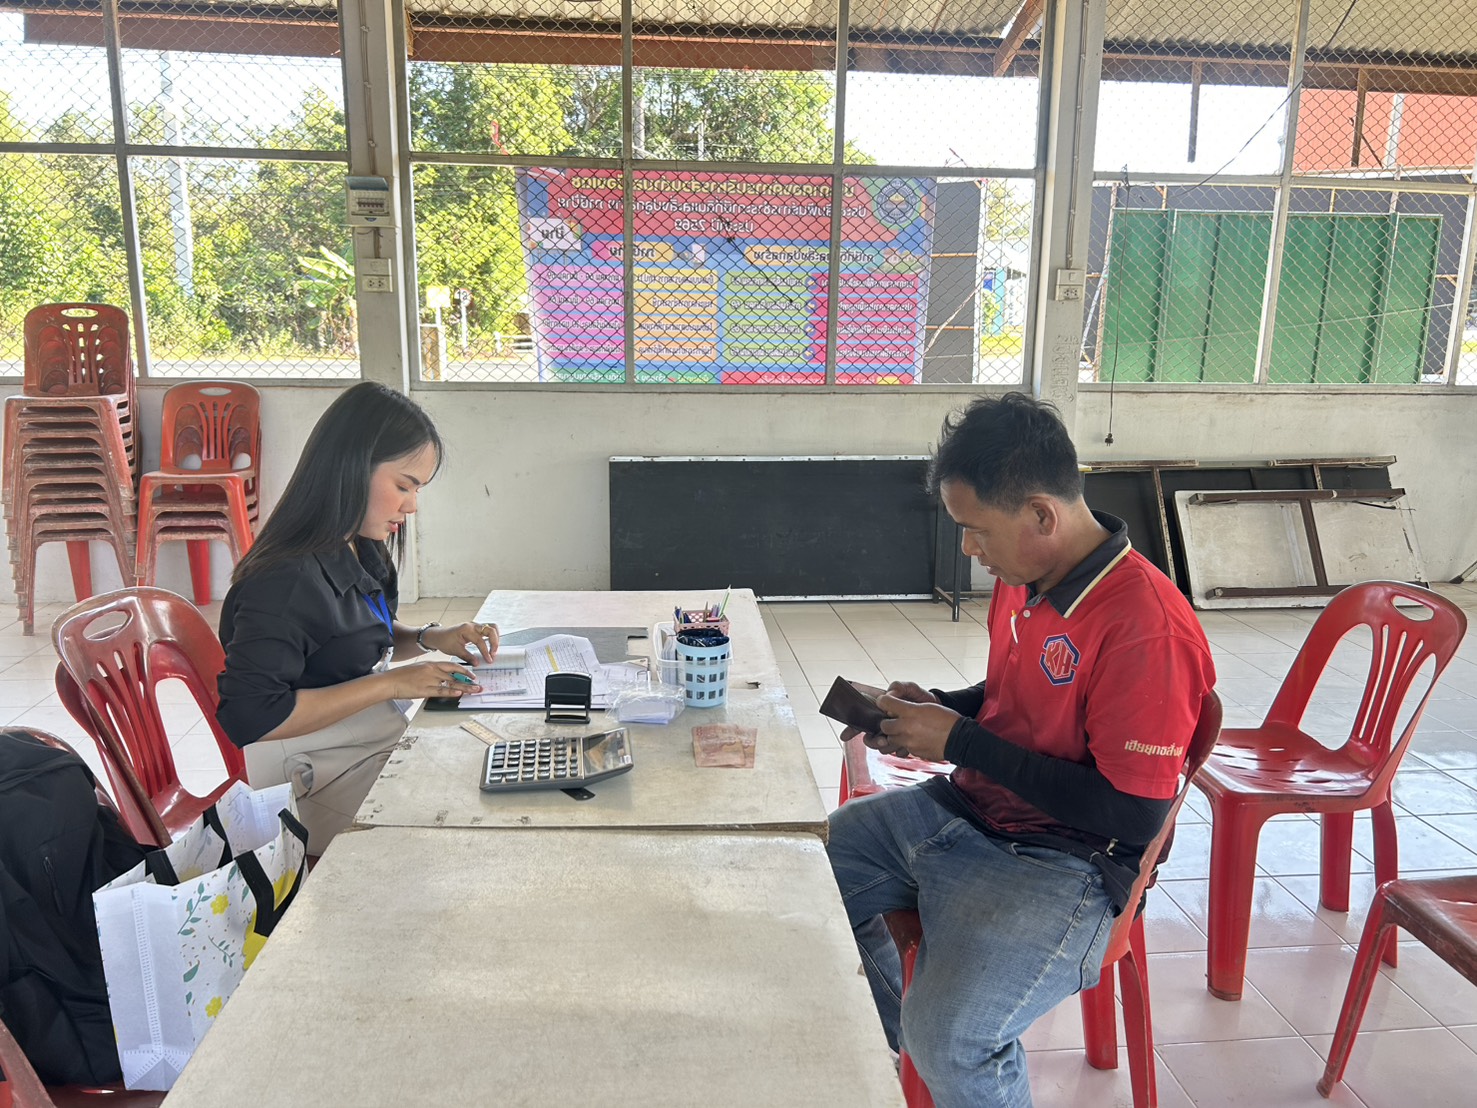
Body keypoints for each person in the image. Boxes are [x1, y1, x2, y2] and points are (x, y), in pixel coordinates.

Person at [825, 393, 1215, 1108]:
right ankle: (916, 1049)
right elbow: (1015, 692)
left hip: (1065, 861)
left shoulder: (1144, 628)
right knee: (804, 881)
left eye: (975, 530)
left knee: (953, 1039)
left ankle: (940, 1054)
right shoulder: (1028, 576)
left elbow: (1132, 814)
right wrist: (944, 707)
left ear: (1041, 514)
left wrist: (959, 739)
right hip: (971, 809)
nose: (968, 549)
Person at [215, 381, 500, 853]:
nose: (411, 505)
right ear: (350, 468)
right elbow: (251, 716)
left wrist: (431, 637)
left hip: (356, 742)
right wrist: (393, 684)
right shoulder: (286, 581)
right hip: (306, 775)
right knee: (462, 813)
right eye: (403, 486)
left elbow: (356, 640)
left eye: (417, 489)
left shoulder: (360, 547)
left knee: (476, 764)